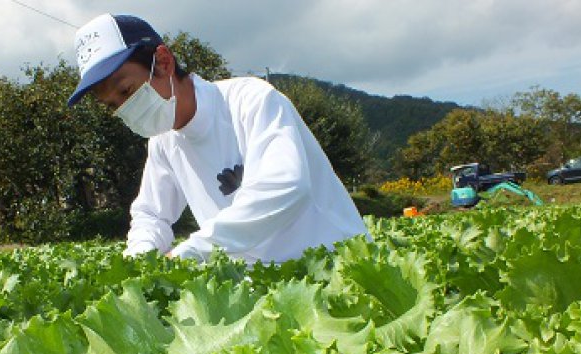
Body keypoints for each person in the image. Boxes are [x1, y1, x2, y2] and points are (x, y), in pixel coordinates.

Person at [68, 14, 368, 264]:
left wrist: (194, 250)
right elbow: (151, 214)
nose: (124, 109)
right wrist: (140, 260)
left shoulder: (250, 100)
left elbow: (286, 186)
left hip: (335, 270)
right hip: (266, 289)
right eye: (111, 105)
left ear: (163, 62)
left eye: (126, 92)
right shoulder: (164, 141)